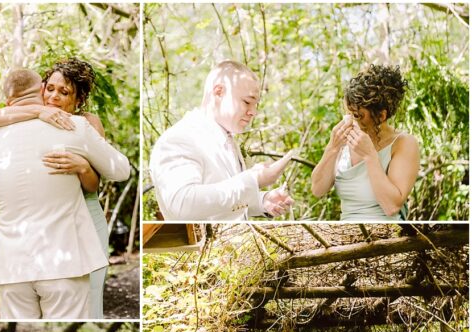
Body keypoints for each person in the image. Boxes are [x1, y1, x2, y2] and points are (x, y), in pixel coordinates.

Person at [0, 69, 131, 320]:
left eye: (64, 91)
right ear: (41, 90)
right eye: (50, 89)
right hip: (64, 265)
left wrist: (82, 165)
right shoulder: (75, 128)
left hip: (12, 268)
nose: (54, 96)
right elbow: (121, 170)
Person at [150, 60, 295, 220]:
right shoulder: (179, 139)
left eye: (255, 105)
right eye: (247, 102)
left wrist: (262, 201)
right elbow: (183, 203)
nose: (253, 112)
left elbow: (219, 201)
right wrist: (254, 179)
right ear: (219, 92)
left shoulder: (225, 138)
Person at [311, 64, 419, 220]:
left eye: (358, 115)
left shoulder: (404, 143)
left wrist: (370, 156)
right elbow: (317, 190)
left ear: (381, 116)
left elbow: (391, 207)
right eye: (349, 112)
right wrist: (332, 148)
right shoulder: (345, 141)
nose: (350, 119)